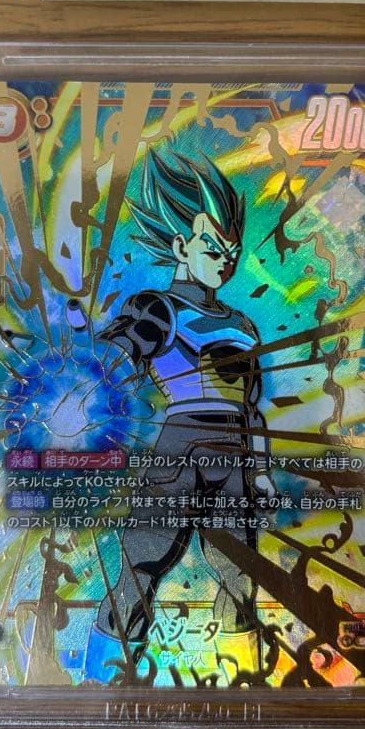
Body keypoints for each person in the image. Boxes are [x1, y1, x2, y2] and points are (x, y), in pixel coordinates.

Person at [84, 147, 272, 681]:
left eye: (231, 251)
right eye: (212, 246)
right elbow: (118, 352)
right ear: (181, 247)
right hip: (180, 449)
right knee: (140, 573)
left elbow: (252, 410)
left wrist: (260, 471)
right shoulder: (159, 308)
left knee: (240, 580)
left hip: (232, 456)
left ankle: (244, 688)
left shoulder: (242, 324)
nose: (225, 260)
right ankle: (98, 685)